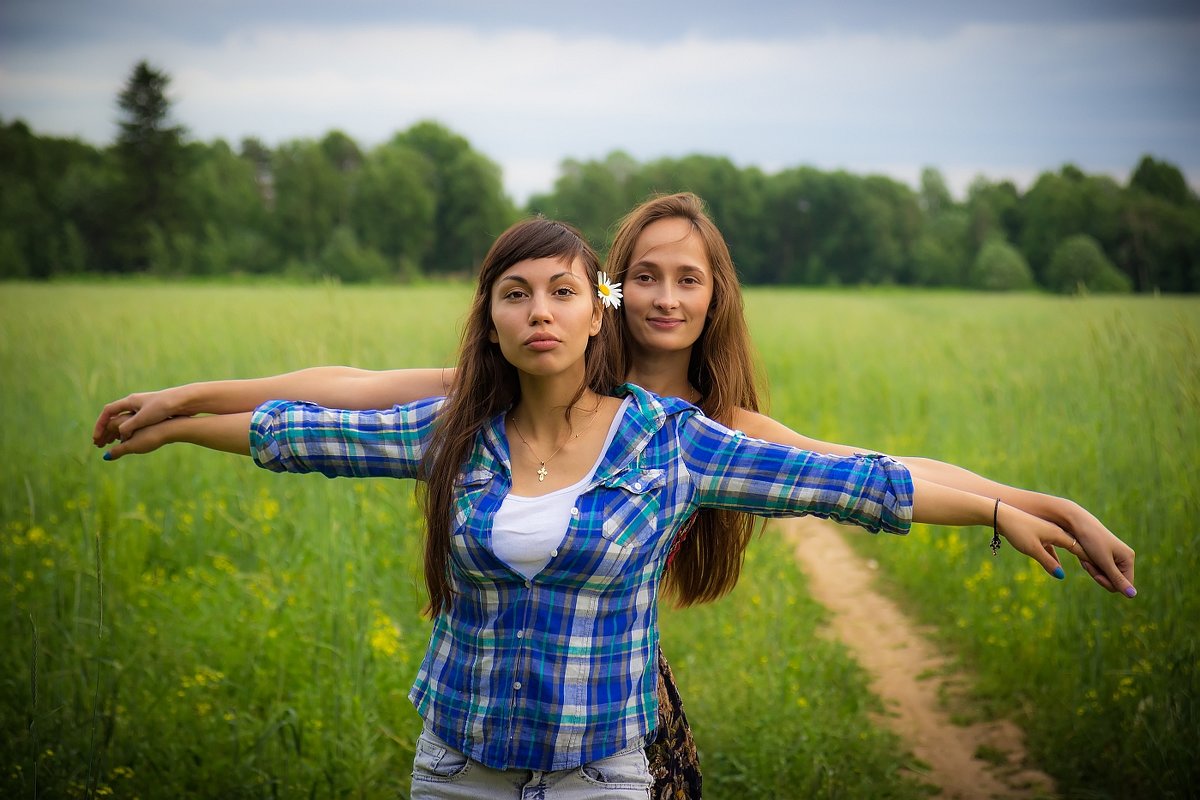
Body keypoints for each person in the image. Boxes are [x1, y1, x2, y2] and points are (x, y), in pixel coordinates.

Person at [95, 193, 1136, 798]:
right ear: (610, 294)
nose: (666, 297)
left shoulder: (697, 432)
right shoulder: (519, 381)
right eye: (644, 276)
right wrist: (193, 397)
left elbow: (865, 472)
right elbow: (345, 401)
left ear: (716, 293)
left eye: (689, 279)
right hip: (485, 705)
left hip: (613, 696)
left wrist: (1024, 498)